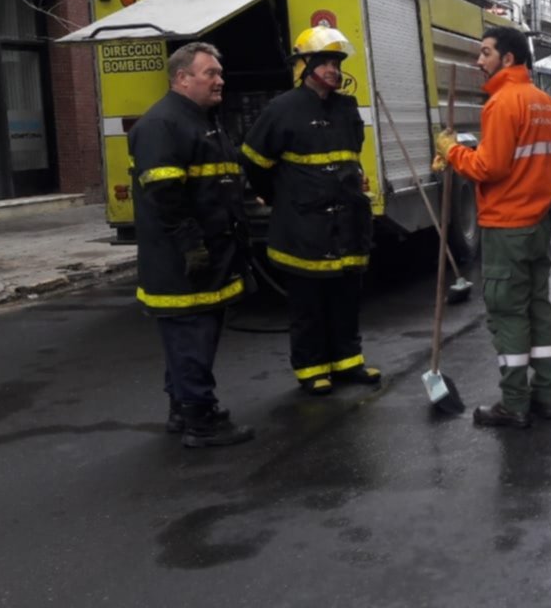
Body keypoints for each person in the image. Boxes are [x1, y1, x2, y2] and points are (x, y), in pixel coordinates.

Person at [433, 26, 551, 428]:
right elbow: (517, 160)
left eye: (485, 52)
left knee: (507, 314)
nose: (479, 60)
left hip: (507, 226)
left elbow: (490, 167)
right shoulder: (543, 102)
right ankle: (545, 399)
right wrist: (464, 154)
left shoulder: (502, 103)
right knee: (539, 311)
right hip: (538, 223)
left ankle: (513, 404)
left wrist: (451, 152)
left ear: (507, 59)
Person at [128, 42, 255, 448]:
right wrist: (191, 244)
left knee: (194, 339)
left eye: (219, 73)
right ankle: (201, 421)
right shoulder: (161, 125)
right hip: (181, 260)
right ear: (182, 79)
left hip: (209, 254)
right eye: (210, 73)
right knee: (190, 340)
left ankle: (183, 409)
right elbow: (165, 194)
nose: (220, 80)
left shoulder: (204, 121)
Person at [242, 27, 380, 396]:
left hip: (347, 222)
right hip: (303, 225)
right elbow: (254, 162)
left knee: (346, 298)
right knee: (309, 304)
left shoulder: (346, 108)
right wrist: (280, 197)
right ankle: (311, 368)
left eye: (337, 63)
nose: (334, 70)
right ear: (305, 66)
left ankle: (348, 361)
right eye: (326, 62)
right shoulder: (281, 109)